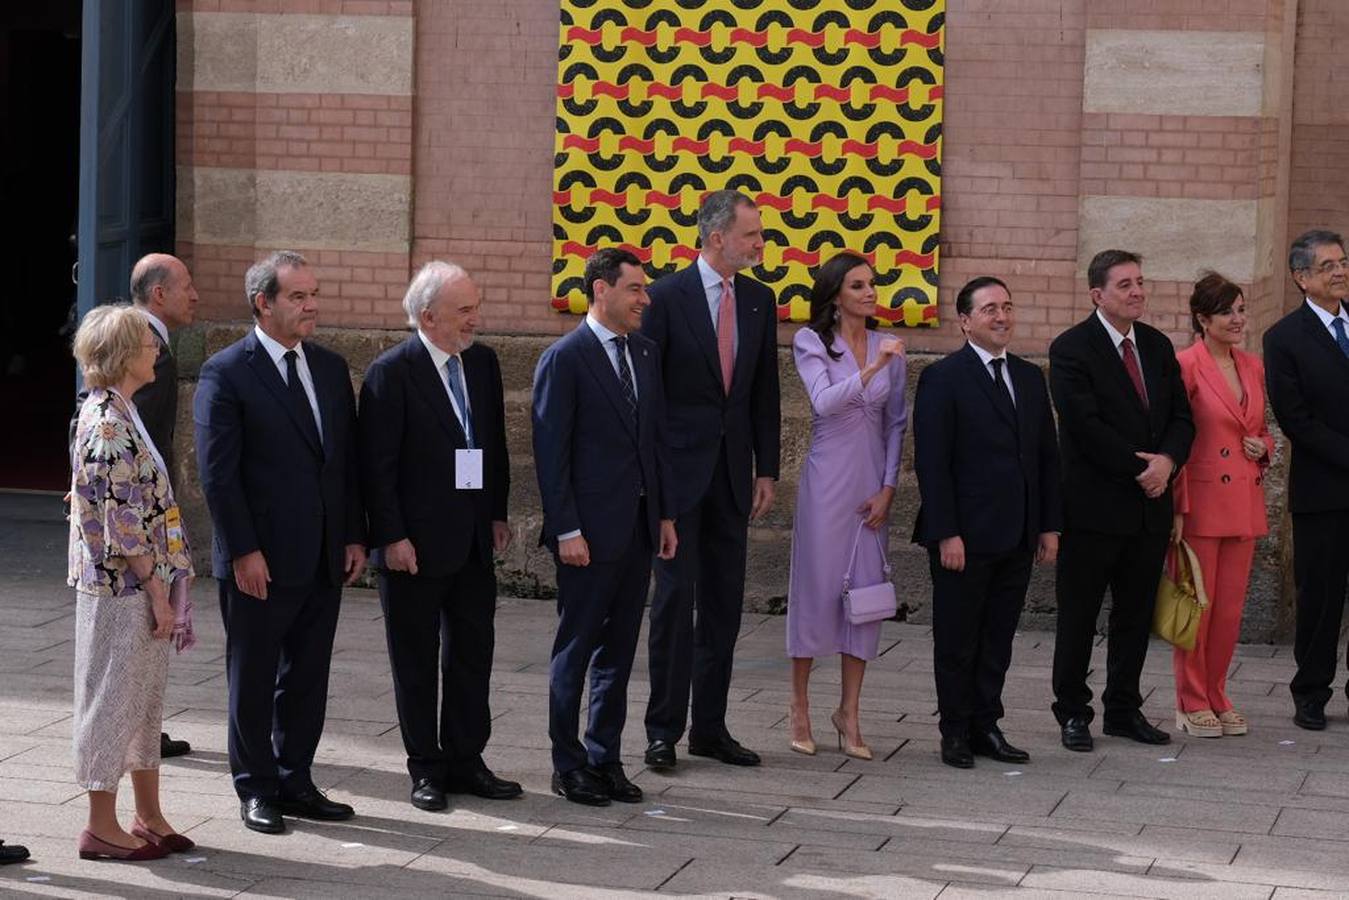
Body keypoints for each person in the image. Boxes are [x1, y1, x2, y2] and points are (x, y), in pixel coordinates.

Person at [194, 251, 366, 834]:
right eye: (298, 296)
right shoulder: (227, 371)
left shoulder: (329, 367)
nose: (311, 305)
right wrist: (243, 550)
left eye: (314, 293)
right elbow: (219, 474)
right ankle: (257, 787)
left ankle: (297, 778)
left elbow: (344, 463)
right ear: (263, 303)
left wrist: (352, 536)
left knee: (308, 674)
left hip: (322, 554)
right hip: (259, 558)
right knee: (255, 673)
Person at [359, 262, 520, 811]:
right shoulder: (391, 373)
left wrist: (495, 511)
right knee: (416, 658)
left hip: (472, 538)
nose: (477, 319)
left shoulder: (482, 363)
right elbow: (376, 468)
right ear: (428, 317)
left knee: (473, 651)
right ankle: (425, 766)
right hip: (415, 546)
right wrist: (392, 537)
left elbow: (491, 443)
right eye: (465, 311)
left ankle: (466, 759)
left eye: (476, 306)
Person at [640, 189, 781, 771]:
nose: (760, 244)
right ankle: (662, 730)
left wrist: (766, 467)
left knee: (724, 603)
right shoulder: (666, 298)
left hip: (731, 477)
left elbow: (764, 390)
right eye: (752, 235)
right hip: (678, 477)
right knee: (674, 603)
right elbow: (649, 395)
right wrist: (654, 482)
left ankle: (711, 727)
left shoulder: (758, 300)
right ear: (717, 237)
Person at [533, 247, 678, 806]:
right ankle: (566, 765)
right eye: (636, 289)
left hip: (638, 530)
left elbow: (654, 441)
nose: (646, 299)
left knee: (619, 653)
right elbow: (553, 453)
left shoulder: (644, 352)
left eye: (646, 289)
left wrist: (663, 515)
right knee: (577, 648)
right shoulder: (564, 358)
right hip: (587, 538)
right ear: (601, 290)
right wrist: (566, 529)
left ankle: (605, 758)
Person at [913, 276, 1061, 768]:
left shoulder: (1027, 376)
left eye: (1008, 307)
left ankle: (986, 725)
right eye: (990, 309)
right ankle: (954, 729)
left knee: (998, 636)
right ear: (965, 321)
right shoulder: (944, 377)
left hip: (1017, 532)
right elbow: (933, 462)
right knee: (958, 638)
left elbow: (1045, 456)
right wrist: (946, 531)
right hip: (965, 535)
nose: (1002, 317)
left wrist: (1048, 525)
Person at [1049, 249, 1194, 752]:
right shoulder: (1070, 349)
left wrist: (1169, 462)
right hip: (1093, 510)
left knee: (1134, 616)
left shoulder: (1155, 346)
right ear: (1097, 295)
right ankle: (1072, 712)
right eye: (1124, 284)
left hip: (1148, 510)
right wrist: (1144, 469)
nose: (1137, 292)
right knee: (1079, 616)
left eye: (1139, 282)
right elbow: (1085, 427)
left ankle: (1123, 709)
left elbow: (1181, 416)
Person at [68, 304, 195, 861]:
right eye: (148, 344)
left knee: (143, 702)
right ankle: (100, 826)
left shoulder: (121, 410)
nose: (157, 351)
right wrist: (157, 591)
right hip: (125, 589)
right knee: (112, 701)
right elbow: (121, 522)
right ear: (123, 353)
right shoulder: (109, 423)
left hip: (140, 584)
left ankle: (148, 814)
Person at [785, 252, 907, 760]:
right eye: (858, 286)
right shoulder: (812, 342)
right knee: (815, 590)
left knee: (866, 598)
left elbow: (896, 422)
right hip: (826, 482)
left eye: (872, 284)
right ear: (836, 295)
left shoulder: (888, 345)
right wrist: (873, 366)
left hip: (869, 484)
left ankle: (849, 712)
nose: (870, 292)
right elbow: (823, 401)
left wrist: (888, 488)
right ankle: (799, 706)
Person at [1170, 273, 1273, 738]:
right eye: (1228, 311)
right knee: (1198, 608)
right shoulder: (1185, 364)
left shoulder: (1252, 365)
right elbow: (1175, 434)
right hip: (1202, 501)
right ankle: (1190, 701)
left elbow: (1260, 428)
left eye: (1241, 309)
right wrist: (1175, 504)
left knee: (1229, 612)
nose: (1238, 319)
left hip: (1243, 500)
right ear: (1202, 318)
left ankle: (1217, 692)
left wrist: (1263, 446)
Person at [1264, 230, 1349, 731]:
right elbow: (1296, 419)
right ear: (1301, 277)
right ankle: (1311, 692)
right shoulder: (1283, 338)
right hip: (1323, 491)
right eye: (1327, 266)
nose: (1339, 272)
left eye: (1342, 262)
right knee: (1320, 595)